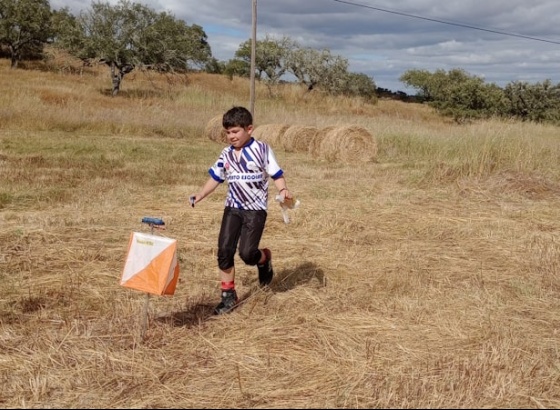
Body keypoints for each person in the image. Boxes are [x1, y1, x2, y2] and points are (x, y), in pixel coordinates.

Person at [190, 106, 293, 315]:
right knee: (224, 251)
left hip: (255, 210)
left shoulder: (262, 149)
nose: (231, 136)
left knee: (247, 254)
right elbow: (215, 178)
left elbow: (276, 173)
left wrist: (283, 189)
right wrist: (201, 194)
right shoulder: (226, 154)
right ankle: (228, 297)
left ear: (249, 129)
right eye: (228, 132)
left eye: (235, 131)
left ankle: (264, 258)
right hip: (233, 208)